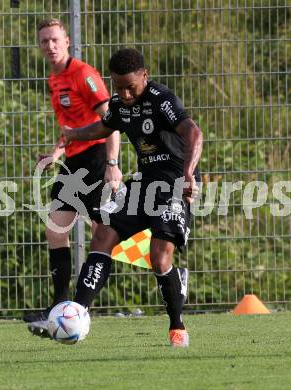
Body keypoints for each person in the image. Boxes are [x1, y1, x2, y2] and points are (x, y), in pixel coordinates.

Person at [61, 48, 203, 347]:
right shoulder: (120, 105)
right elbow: (104, 125)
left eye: (131, 87)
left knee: (159, 256)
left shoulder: (162, 99)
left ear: (144, 76)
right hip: (144, 183)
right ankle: (76, 312)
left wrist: (189, 173)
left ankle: (176, 326)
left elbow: (193, 133)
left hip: (176, 182)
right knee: (103, 235)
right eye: (118, 87)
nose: (124, 94)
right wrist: (73, 133)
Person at [24, 19, 122, 335]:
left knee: (104, 234)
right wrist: (55, 153)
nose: (49, 46)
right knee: (56, 229)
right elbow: (69, 125)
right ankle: (60, 308)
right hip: (73, 161)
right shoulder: (55, 79)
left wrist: (112, 162)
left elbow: (112, 121)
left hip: (94, 158)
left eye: (54, 40)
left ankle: (168, 267)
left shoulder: (83, 74)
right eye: (44, 42)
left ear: (67, 41)